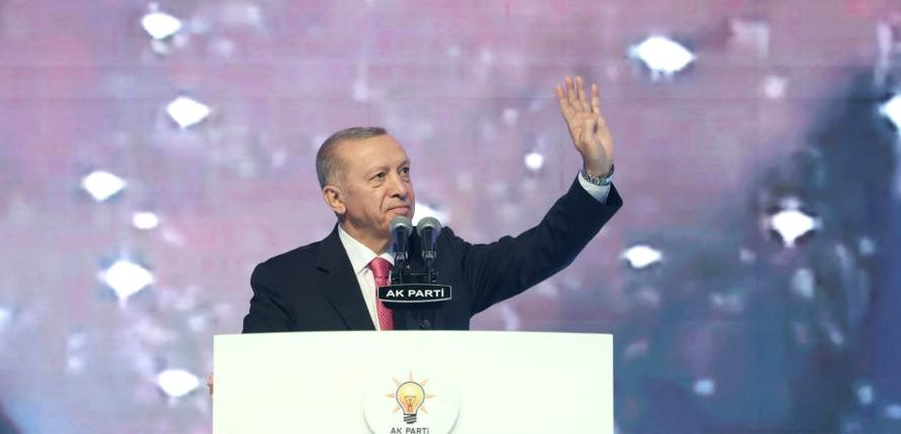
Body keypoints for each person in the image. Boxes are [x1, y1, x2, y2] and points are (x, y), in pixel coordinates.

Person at [240, 76, 622, 332]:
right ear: (335, 198)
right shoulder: (285, 281)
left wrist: (596, 172)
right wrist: (238, 382)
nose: (401, 188)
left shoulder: (444, 260)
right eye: (379, 177)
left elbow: (541, 251)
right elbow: (260, 376)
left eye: (404, 171)